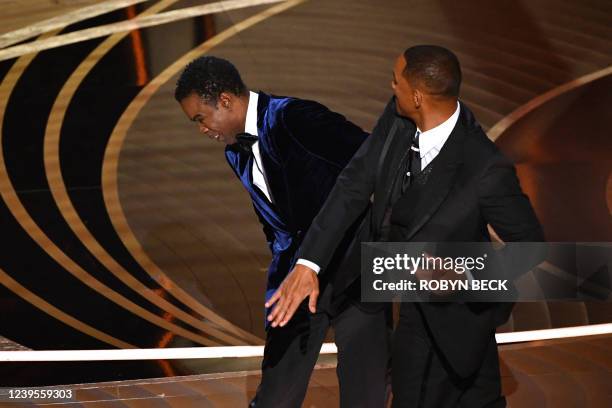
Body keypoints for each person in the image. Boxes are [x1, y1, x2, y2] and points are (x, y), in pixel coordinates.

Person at [267, 45, 544, 407]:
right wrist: (309, 263)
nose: (390, 85)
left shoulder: (484, 168)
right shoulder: (398, 117)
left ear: (417, 96)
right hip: (403, 306)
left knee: (471, 393)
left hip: (456, 317)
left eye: (395, 81)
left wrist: (463, 276)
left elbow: (531, 244)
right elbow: (354, 184)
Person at [174, 56, 388, 408]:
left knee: (366, 393)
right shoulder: (235, 153)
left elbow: (372, 158)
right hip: (295, 283)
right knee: (275, 396)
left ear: (225, 101)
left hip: (355, 271)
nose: (202, 129)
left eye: (200, 118)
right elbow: (273, 220)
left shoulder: (294, 118)